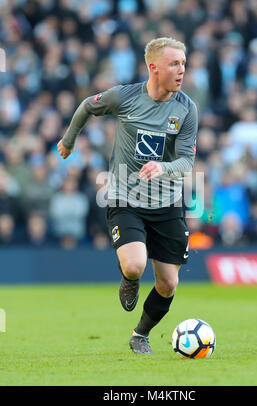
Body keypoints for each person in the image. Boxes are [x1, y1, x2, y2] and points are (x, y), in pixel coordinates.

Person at [57, 37, 198, 354]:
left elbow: (187, 160)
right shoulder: (124, 97)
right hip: (126, 198)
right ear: (154, 67)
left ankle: (140, 335)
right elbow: (86, 107)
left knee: (168, 284)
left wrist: (163, 168)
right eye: (174, 64)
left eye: (184, 64)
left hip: (167, 203)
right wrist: (68, 141)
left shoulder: (187, 109)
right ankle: (129, 279)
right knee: (135, 265)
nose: (181, 71)